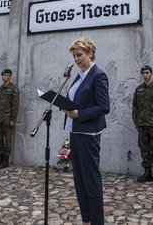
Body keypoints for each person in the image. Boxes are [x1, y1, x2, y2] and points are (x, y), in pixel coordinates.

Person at [63, 37, 110, 225]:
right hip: (75, 132)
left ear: (90, 53)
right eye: (74, 56)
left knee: (90, 181)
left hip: (89, 134)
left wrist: (78, 114)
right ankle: (87, 219)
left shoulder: (98, 75)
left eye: (79, 55)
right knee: (79, 180)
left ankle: (97, 221)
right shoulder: (80, 75)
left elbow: (104, 107)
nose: (76, 59)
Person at [0, 69, 20, 169]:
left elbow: (15, 106)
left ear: (10, 76)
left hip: (8, 120)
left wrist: (13, 120)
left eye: (6, 75)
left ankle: (5, 161)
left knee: (8, 140)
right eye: (2, 75)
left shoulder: (13, 89)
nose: (3, 77)